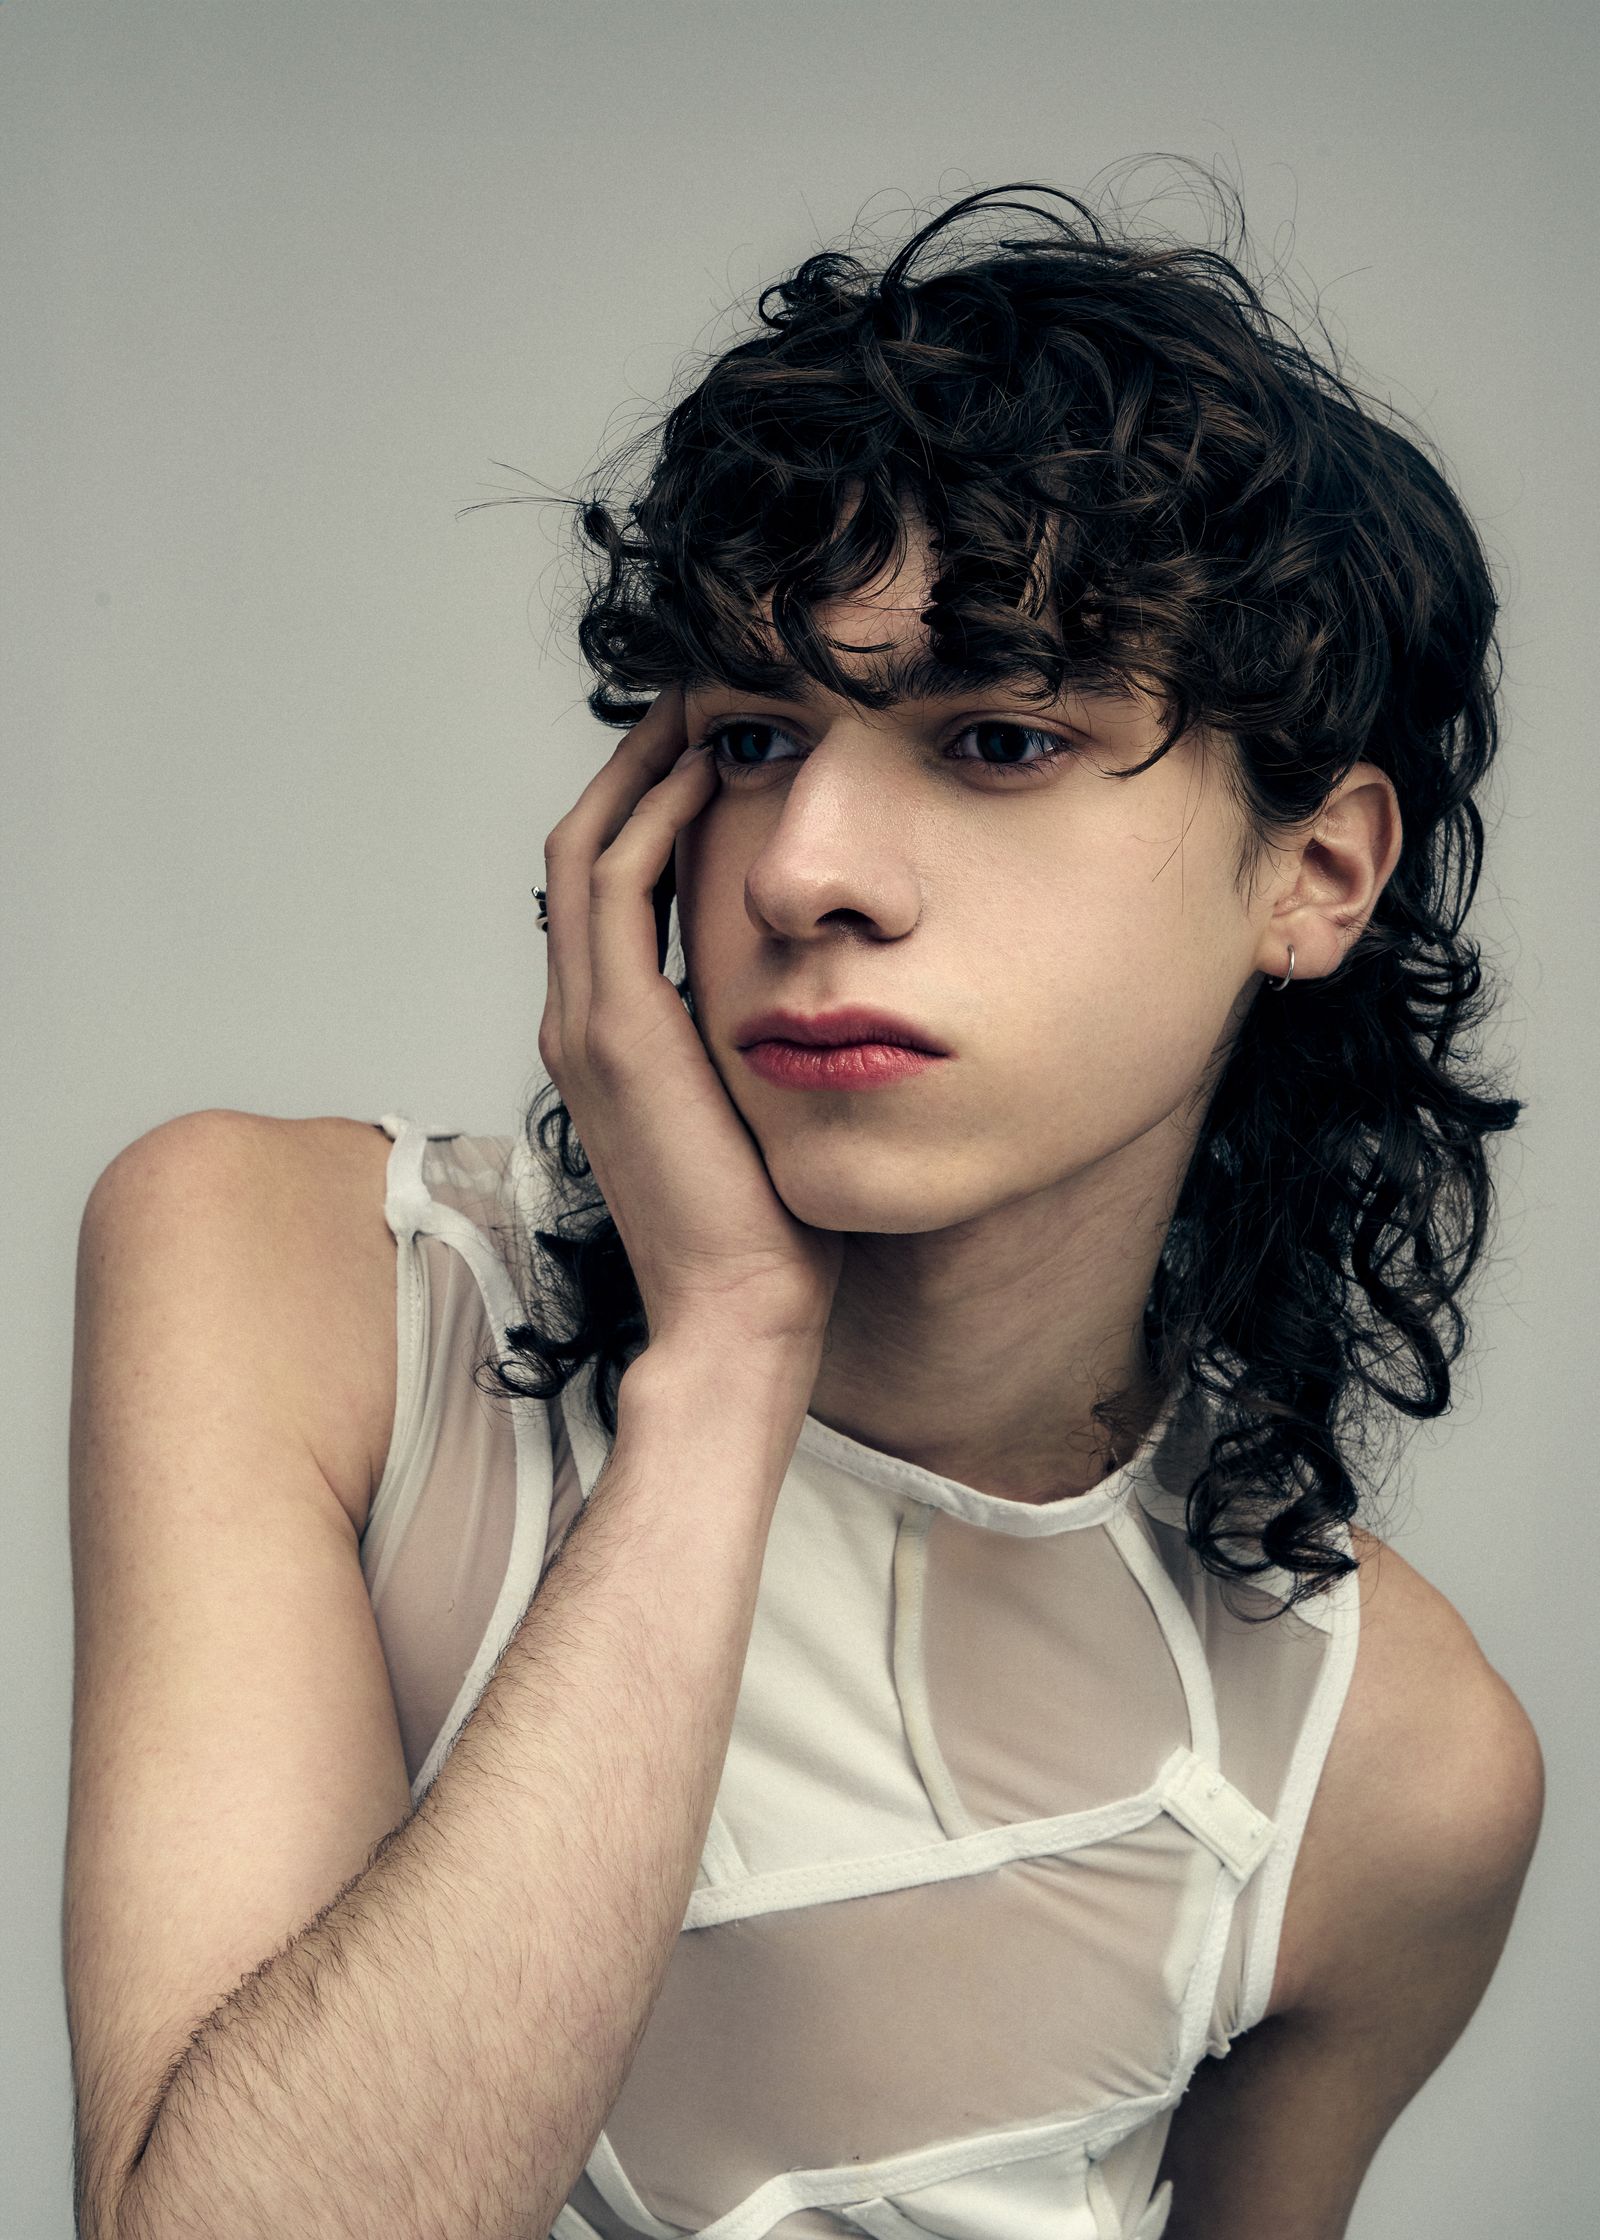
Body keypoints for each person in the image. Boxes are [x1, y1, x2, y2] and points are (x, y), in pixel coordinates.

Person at [63, 182, 1543, 2240]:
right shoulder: (288, 1282)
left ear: (1317, 872)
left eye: (998, 738)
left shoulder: (1384, 1758)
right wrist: (728, 1359)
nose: (801, 867)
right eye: (755, 738)